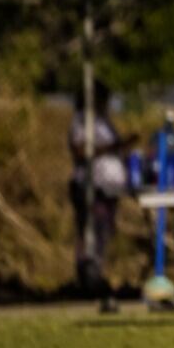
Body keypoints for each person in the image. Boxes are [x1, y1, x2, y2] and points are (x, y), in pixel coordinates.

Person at [68, 80, 133, 313]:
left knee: (103, 234)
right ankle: (87, 277)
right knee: (90, 232)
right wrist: (114, 146)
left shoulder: (103, 122)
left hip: (108, 187)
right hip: (90, 185)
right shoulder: (81, 121)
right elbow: (79, 150)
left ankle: (96, 274)